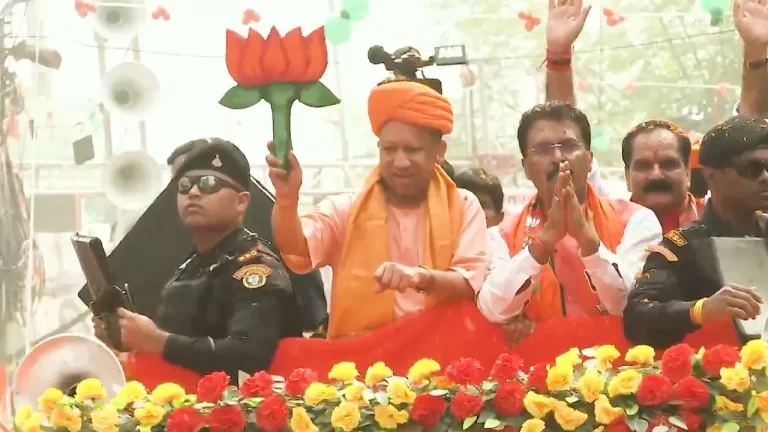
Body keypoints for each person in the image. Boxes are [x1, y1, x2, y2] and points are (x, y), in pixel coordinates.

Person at [267, 80, 488, 339]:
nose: (401, 162)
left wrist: (417, 277)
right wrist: (286, 199)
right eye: (390, 149)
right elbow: (296, 249)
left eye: (413, 150)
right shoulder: (347, 210)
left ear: (439, 152)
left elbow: (469, 283)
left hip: (440, 352)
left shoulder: (463, 205)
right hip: (361, 356)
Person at [93, 139, 303, 378]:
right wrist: (128, 337)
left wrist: (157, 341)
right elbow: (182, 347)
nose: (193, 192)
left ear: (241, 201)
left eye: (208, 183)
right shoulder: (192, 265)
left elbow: (247, 358)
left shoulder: (255, 268)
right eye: (184, 185)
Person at [477, 102, 662, 336]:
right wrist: (543, 243)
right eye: (543, 149)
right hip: (540, 358)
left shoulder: (636, 220)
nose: (557, 157)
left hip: (618, 357)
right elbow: (493, 309)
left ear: (589, 159)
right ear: (526, 167)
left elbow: (629, 305)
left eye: (569, 146)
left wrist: (586, 238)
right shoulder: (501, 234)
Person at [624, 116, 768, 348]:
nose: (765, 178)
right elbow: (637, 317)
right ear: (712, 176)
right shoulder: (680, 247)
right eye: (752, 168)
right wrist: (701, 310)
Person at [621, 120, 704, 233]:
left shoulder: (717, 221)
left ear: (687, 173)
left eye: (668, 164)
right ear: (627, 177)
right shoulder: (608, 227)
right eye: (644, 166)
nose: (656, 175)